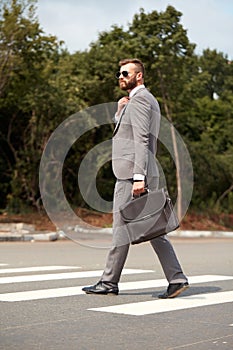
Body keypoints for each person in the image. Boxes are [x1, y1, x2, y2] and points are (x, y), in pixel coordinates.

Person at [82, 58, 189, 298]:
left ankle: (109, 282)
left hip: (132, 175)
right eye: (119, 74)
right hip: (134, 173)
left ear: (138, 76)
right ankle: (176, 277)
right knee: (151, 228)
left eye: (125, 73)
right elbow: (128, 134)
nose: (120, 77)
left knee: (122, 228)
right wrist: (120, 111)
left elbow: (141, 140)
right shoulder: (137, 101)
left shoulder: (141, 99)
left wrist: (138, 177)